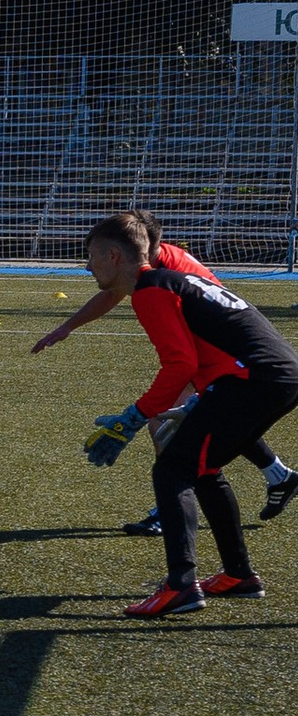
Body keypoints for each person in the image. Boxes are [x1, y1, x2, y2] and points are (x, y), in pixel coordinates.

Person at [79, 214, 298, 615]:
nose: (87, 265)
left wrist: (133, 418)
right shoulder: (166, 282)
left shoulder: (151, 290)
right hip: (274, 375)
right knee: (204, 470)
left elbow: (178, 365)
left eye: (91, 255)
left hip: (253, 380)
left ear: (114, 256)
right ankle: (239, 575)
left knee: (172, 470)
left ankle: (181, 585)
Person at [31, 213, 297, 533]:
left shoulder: (162, 275)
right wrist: (68, 326)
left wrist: (134, 416)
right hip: (232, 357)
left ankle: (171, 510)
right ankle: (277, 477)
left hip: (226, 358)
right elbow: (113, 291)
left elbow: (185, 352)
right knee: (212, 424)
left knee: (167, 423)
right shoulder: (147, 264)